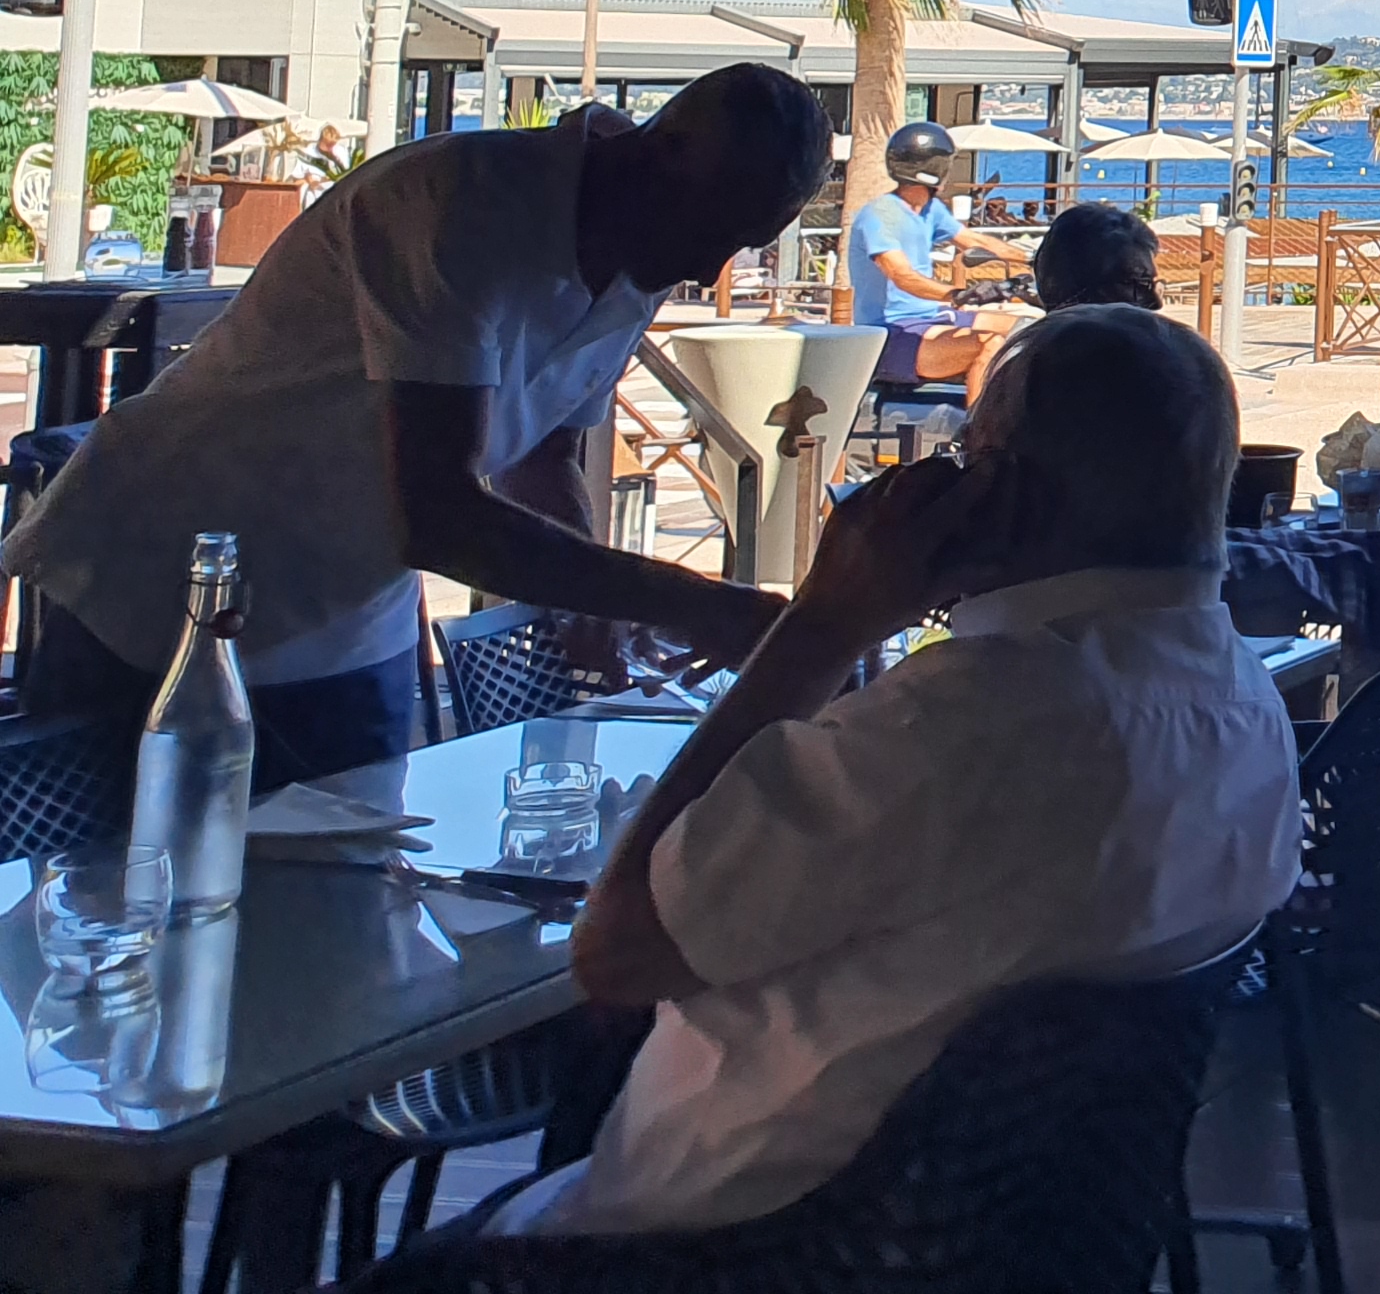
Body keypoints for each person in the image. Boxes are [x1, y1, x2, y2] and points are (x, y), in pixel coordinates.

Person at [502, 304, 1302, 1234]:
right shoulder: (1248, 707)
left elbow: (618, 951)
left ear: (1000, 492)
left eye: (966, 458)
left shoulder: (967, 723)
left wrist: (824, 623)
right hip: (1006, 1236)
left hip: (734, 1236)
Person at [3, 64, 823, 788]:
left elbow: (542, 460)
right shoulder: (458, 203)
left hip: (351, 613)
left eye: (741, 243)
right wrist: (699, 603)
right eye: (712, 229)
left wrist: (597, 614)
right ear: (661, 149)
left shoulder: (651, 241)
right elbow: (439, 518)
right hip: (157, 583)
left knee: (356, 896)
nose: (707, 267)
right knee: (118, 885)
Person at [952, 201, 1161, 407]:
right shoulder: (1165, 365)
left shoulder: (1024, 368)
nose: (1155, 303)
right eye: (1141, 284)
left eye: (1149, 284)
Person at [847, 122, 997, 388]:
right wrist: (957, 294)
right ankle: (981, 417)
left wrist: (1033, 259)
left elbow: (974, 241)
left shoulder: (930, 209)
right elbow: (902, 276)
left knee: (1027, 329)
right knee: (991, 343)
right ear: (936, 169)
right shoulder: (879, 215)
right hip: (891, 331)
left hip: (933, 316)